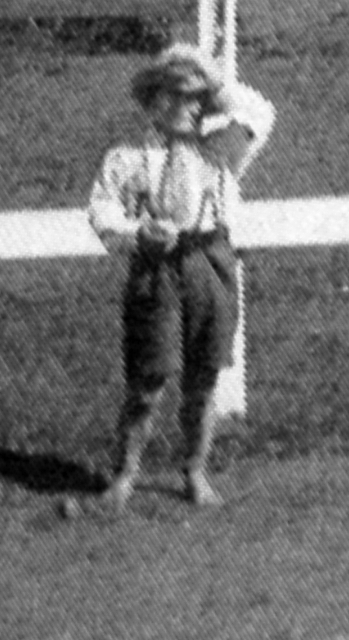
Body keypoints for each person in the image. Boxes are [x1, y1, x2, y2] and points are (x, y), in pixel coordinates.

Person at [84, 42, 276, 508]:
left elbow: (261, 112)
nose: (193, 107)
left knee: (203, 378)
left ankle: (194, 470)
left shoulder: (221, 150)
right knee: (148, 379)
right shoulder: (128, 157)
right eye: (181, 97)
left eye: (198, 99)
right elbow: (102, 210)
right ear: (155, 102)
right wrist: (136, 232)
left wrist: (213, 87)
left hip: (210, 263)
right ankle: (125, 475)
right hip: (157, 268)